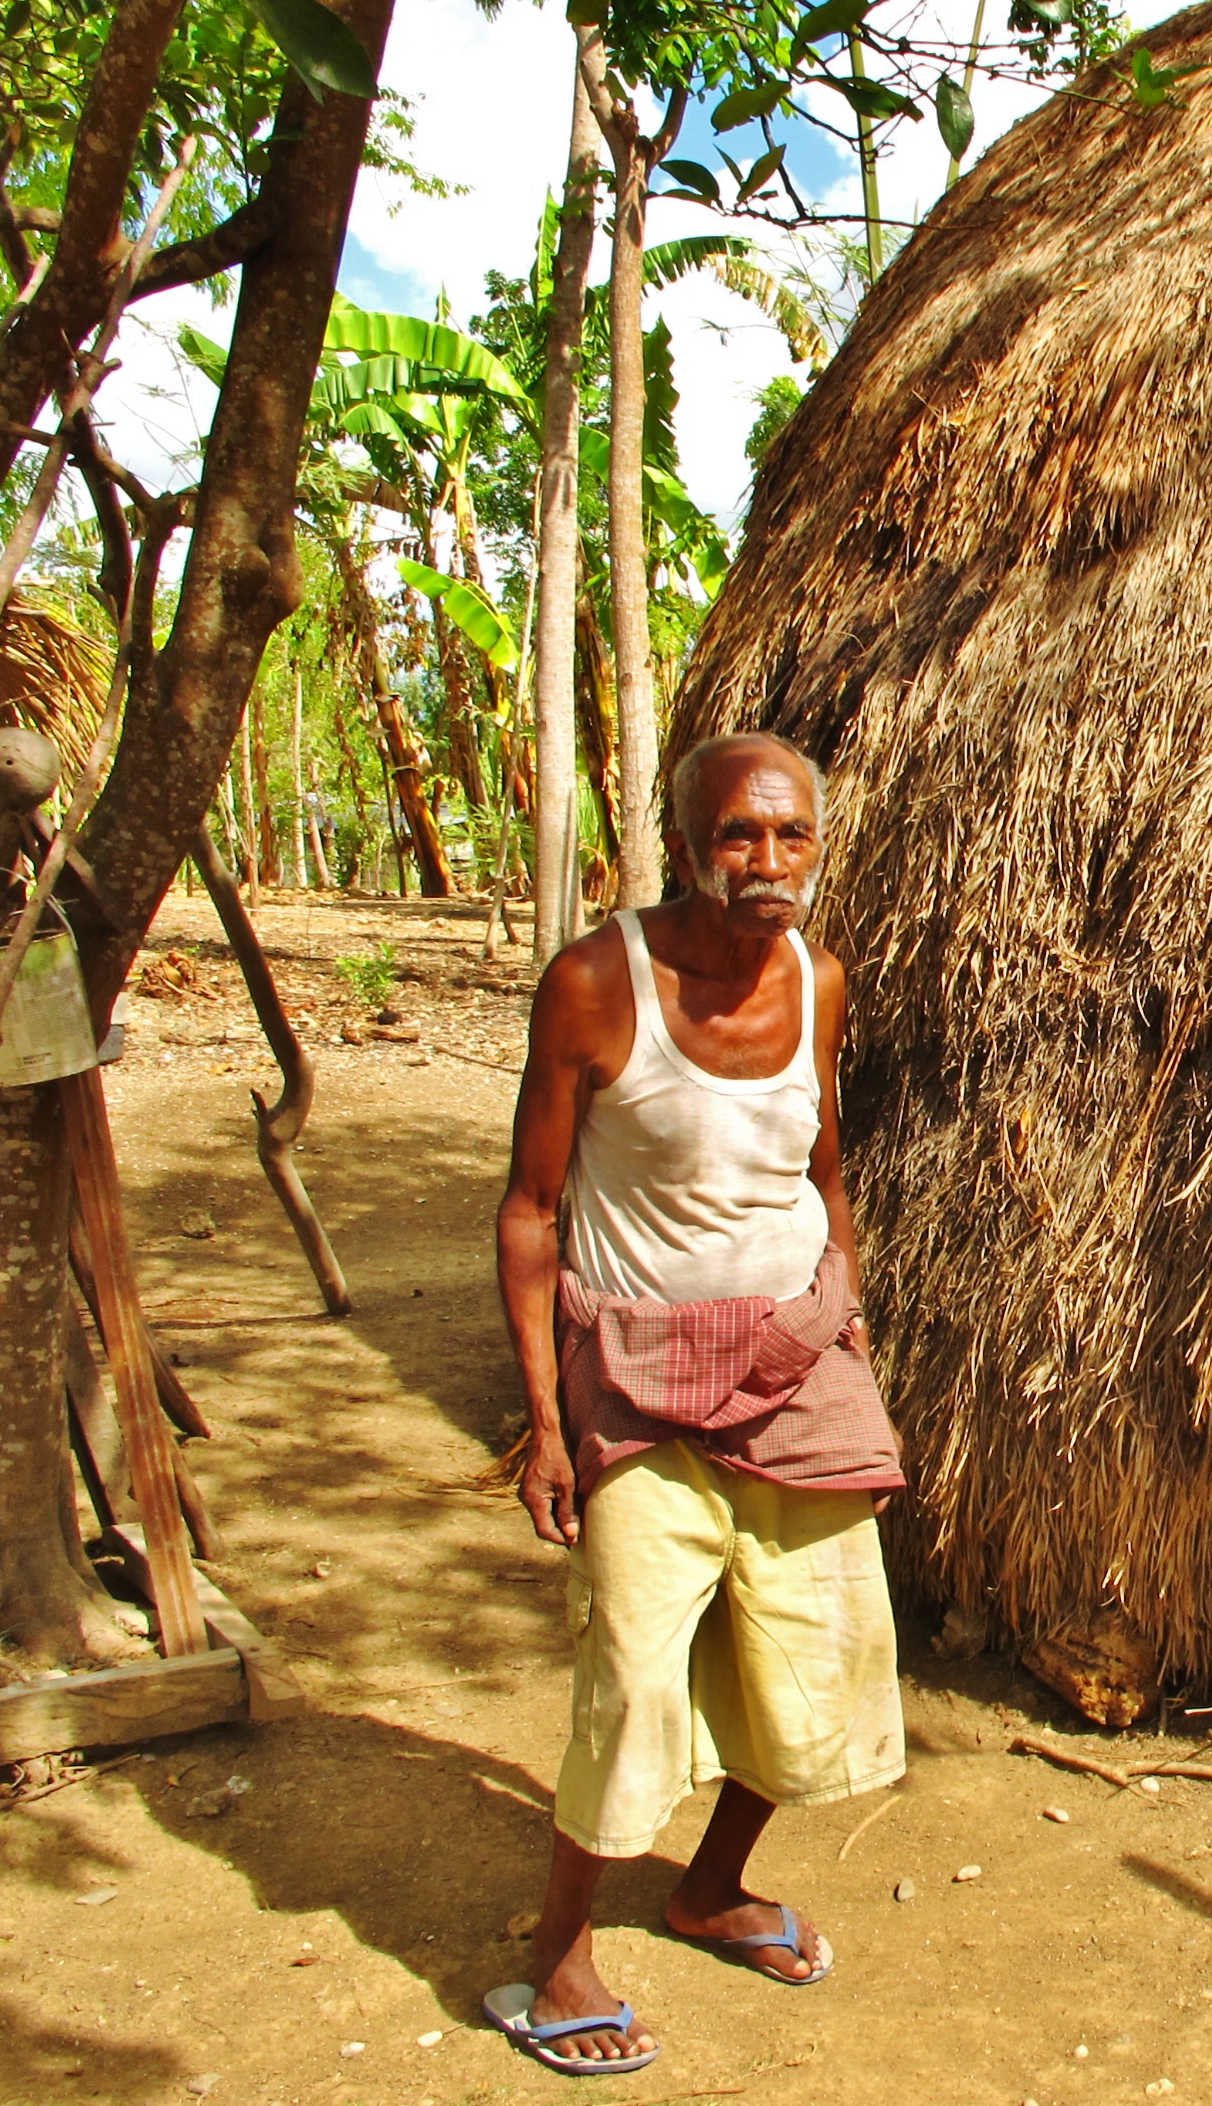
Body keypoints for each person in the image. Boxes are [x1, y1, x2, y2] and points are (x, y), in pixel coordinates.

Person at [486, 733, 906, 2074]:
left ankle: (710, 1886)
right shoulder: (597, 984)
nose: (768, 862)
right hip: (639, 1380)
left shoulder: (818, 980)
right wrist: (546, 1421)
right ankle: (560, 1954)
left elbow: (820, 1167)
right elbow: (531, 1211)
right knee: (632, 1667)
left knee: (818, 1656)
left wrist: (844, 1303)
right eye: (738, 834)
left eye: (792, 835)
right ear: (685, 844)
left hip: (796, 1365)